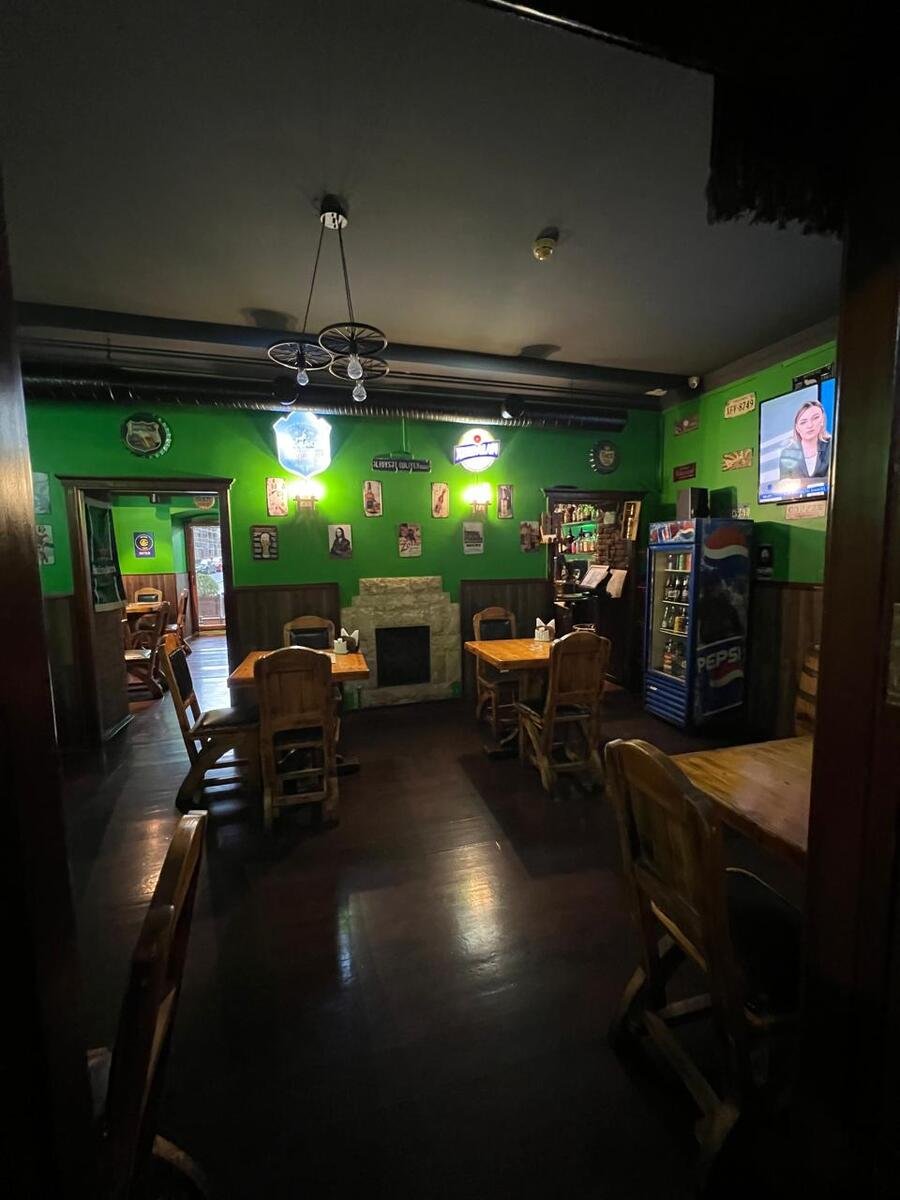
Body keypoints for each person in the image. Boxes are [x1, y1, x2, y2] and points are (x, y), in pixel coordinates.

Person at [778, 398, 832, 481]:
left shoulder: (832, 446)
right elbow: (784, 484)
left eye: (815, 418)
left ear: (822, 420)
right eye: (803, 422)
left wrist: (801, 483)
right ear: (797, 428)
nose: (810, 425)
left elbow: (835, 479)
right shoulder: (787, 454)